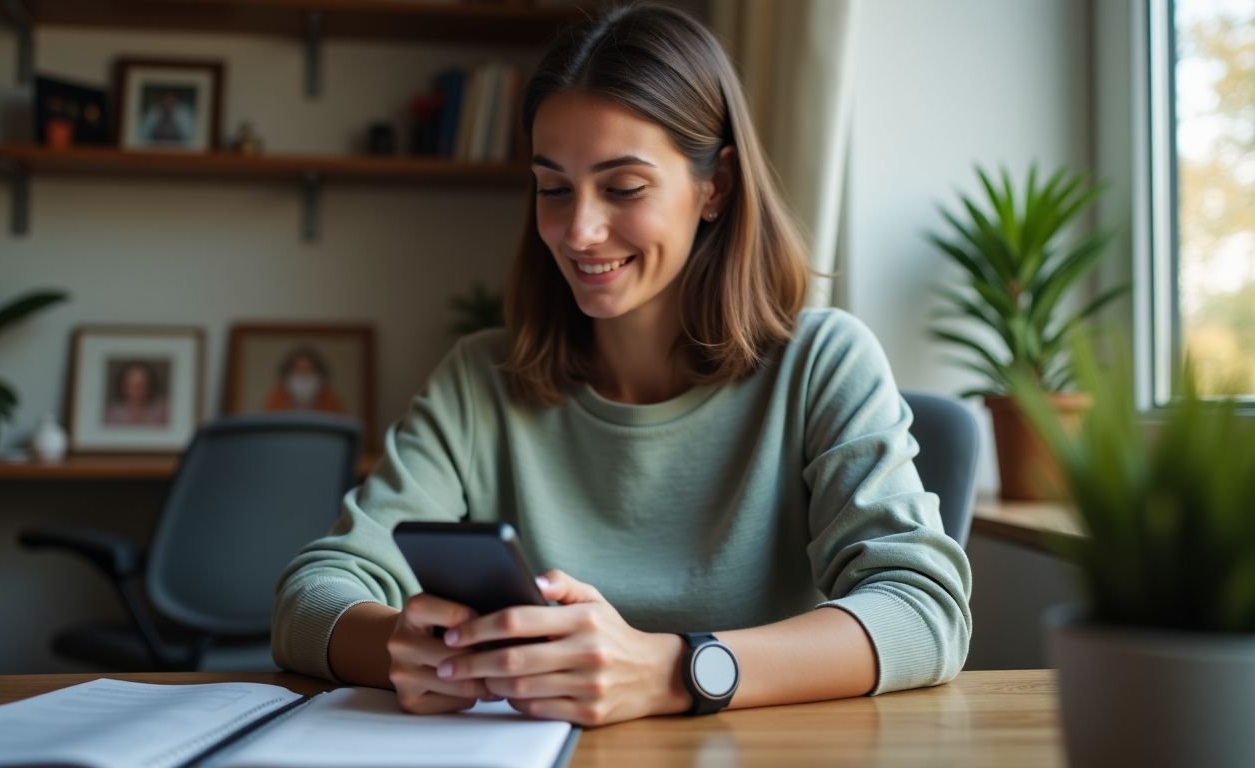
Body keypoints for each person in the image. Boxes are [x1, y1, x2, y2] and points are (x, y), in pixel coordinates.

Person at [272, 3, 970, 727]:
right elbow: (311, 595)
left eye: (624, 188)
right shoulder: (482, 378)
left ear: (716, 187)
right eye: (552, 187)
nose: (579, 230)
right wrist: (400, 647)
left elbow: (924, 612)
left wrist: (676, 669)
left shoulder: (822, 363)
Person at [263, 346, 345, 413]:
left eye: (309, 369)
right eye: (298, 370)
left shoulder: (330, 400)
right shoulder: (276, 398)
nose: (303, 375)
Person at [104, 361, 169, 426]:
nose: (137, 391)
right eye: (131, 385)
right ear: (122, 386)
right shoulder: (113, 412)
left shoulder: (163, 409)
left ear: (150, 385)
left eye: (142, 385)